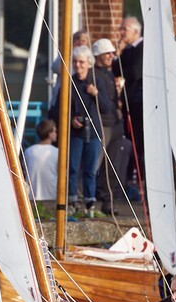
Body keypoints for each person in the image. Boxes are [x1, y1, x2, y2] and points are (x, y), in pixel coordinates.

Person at [68, 45, 109, 217]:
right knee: (73, 167)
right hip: (76, 131)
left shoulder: (96, 81)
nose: (78, 66)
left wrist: (96, 94)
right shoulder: (70, 81)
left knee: (90, 169)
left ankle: (90, 203)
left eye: (82, 62)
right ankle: (72, 201)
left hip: (93, 130)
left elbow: (106, 107)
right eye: (76, 62)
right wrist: (71, 120)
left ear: (89, 64)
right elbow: (61, 107)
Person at [91, 38, 127, 216]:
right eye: (108, 54)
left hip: (114, 122)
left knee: (112, 164)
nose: (111, 56)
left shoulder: (110, 73)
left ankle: (108, 202)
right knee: (95, 163)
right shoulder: (93, 74)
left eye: (112, 53)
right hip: (102, 124)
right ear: (98, 55)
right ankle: (88, 200)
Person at [113, 16, 145, 184]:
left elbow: (135, 72)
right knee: (129, 140)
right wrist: (118, 53)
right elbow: (115, 69)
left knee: (140, 141)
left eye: (124, 29)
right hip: (129, 102)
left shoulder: (142, 47)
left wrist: (123, 69)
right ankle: (129, 177)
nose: (121, 33)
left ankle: (140, 179)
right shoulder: (127, 50)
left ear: (135, 31)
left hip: (140, 102)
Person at [22, 119, 58, 201]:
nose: (56, 134)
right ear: (50, 134)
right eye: (55, 131)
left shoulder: (28, 151)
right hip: (52, 195)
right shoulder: (57, 152)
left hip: (31, 195)